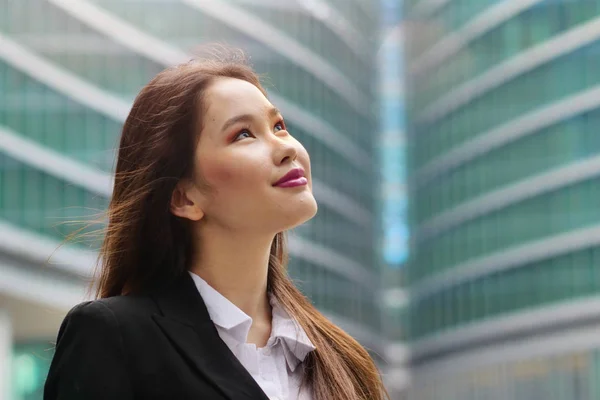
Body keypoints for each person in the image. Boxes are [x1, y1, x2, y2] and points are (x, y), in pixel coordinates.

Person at [44, 53, 388, 400]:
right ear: (184, 198)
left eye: (279, 126)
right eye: (243, 134)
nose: (286, 148)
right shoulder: (113, 337)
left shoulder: (345, 362)